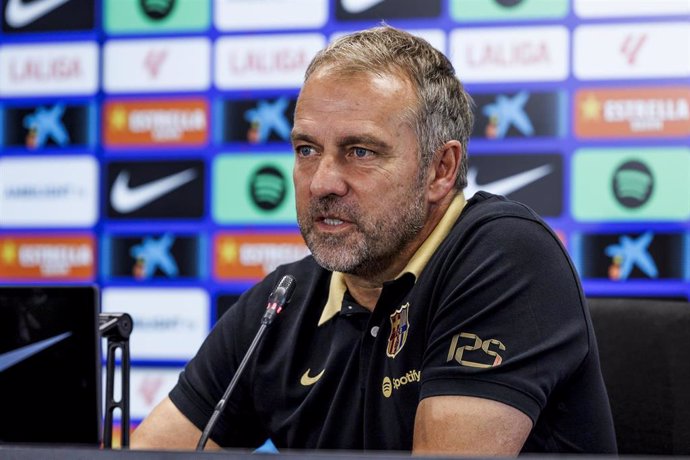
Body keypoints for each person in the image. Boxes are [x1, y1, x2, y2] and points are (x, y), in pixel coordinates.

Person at [131, 25, 617, 455]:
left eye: (359, 151)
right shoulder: (282, 303)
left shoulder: (506, 256)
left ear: (440, 169)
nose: (322, 182)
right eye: (307, 149)